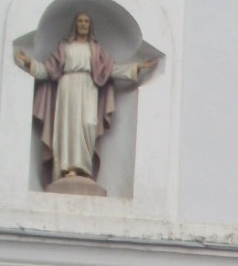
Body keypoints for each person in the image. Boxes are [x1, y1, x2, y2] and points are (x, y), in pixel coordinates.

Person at [14, 11, 156, 184]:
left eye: (86, 21)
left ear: (90, 26)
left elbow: (111, 70)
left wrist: (138, 67)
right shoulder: (64, 48)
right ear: (75, 25)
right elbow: (47, 70)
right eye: (80, 21)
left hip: (89, 88)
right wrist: (29, 62)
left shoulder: (96, 50)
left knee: (89, 123)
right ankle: (66, 168)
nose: (82, 24)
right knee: (68, 127)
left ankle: (84, 169)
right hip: (67, 88)